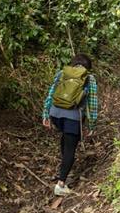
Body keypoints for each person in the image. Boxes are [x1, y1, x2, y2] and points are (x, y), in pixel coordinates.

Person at [41, 54, 99, 196]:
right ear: (88, 67)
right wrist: (92, 125)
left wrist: (45, 114)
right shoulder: (89, 78)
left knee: (66, 140)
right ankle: (61, 184)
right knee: (70, 148)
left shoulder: (62, 73)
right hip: (73, 117)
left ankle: (64, 168)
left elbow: (51, 94)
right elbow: (92, 103)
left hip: (55, 115)